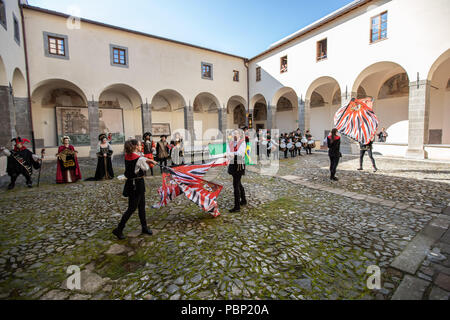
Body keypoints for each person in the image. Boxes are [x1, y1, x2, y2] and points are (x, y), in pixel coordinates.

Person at [113, 139, 158, 240]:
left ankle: (144, 227)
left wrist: (147, 159)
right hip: (137, 184)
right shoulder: (139, 158)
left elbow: (138, 160)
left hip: (131, 183)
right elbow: (146, 168)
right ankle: (119, 229)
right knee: (132, 208)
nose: (140, 146)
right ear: (135, 146)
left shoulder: (127, 155)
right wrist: (151, 162)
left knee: (141, 206)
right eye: (139, 145)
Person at [227, 129, 247, 213]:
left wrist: (232, 154)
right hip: (232, 164)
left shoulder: (242, 142)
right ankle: (243, 200)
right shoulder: (230, 143)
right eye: (233, 134)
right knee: (238, 183)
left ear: (239, 135)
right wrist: (229, 155)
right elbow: (228, 152)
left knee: (235, 185)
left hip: (239, 165)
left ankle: (237, 206)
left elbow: (241, 153)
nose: (234, 135)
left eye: (236, 133)